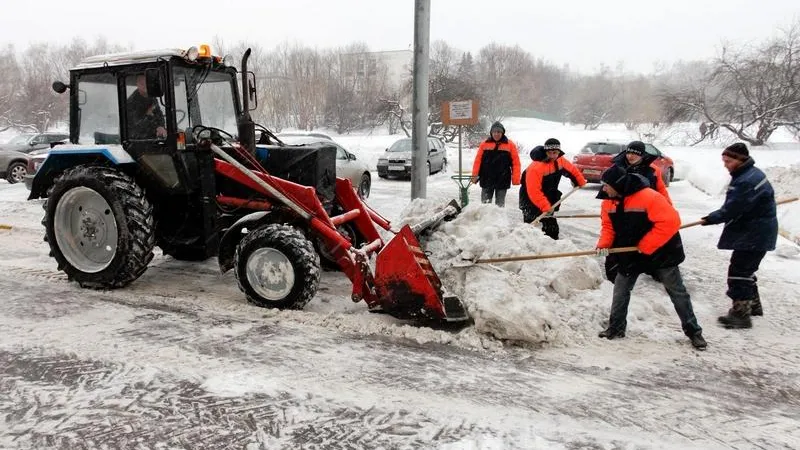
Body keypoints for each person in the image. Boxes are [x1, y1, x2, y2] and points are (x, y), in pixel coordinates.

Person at [595, 165, 706, 350]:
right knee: (621, 290)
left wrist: (645, 246)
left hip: (661, 252)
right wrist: (604, 244)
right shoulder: (608, 202)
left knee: (677, 292)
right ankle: (615, 328)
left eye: (606, 185)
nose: (603, 189)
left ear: (618, 184)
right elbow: (608, 227)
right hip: (630, 253)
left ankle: (694, 332)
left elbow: (670, 222)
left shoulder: (649, 196)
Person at [701, 142, 778, 329]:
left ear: (739, 160)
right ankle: (754, 306)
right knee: (746, 269)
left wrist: (712, 218)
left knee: (739, 272)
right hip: (759, 230)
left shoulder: (745, 181)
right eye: (724, 160)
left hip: (754, 232)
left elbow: (733, 209)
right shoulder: (752, 174)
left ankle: (741, 314)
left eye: (728, 161)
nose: (725, 164)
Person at [521, 138, 586, 239]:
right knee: (530, 226)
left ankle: (552, 243)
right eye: (549, 153)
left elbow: (572, 170)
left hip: (549, 196)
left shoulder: (560, 160)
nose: (552, 156)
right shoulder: (536, 168)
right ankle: (525, 245)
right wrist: (545, 207)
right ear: (545, 152)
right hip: (530, 199)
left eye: (555, 153)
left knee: (552, 229)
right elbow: (534, 191)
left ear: (559, 152)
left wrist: (579, 181)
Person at [471, 121, 521, 207]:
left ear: (502, 133)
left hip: (502, 179)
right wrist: (474, 176)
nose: (496, 134)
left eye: (499, 132)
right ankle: (485, 220)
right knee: (485, 205)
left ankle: (498, 220)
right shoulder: (484, 144)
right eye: (494, 132)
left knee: (500, 206)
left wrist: (516, 178)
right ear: (491, 133)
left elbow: (516, 163)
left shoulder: (510, 145)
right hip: (487, 178)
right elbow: (478, 161)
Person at [126, 74, 167, 140]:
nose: (144, 85)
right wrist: (149, 116)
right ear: (137, 84)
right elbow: (137, 126)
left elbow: (159, 115)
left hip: (153, 138)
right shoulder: (131, 102)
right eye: (141, 83)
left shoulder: (152, 98)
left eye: (146, 82)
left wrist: (160, 126)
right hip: (137, 141)